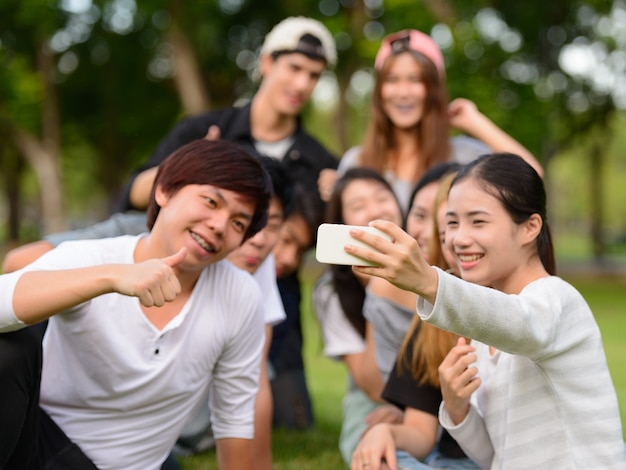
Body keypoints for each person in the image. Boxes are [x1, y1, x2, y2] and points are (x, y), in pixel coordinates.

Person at [0, 139, 273, 470]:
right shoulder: (95, 258)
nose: (219, 226)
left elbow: (234, 417)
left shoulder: (239, 295)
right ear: (165, 192)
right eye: (211, 201)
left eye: (238, 223)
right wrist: (112, 278)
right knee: (11, 344)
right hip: (35, 445)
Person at [345, 153, 626, 469]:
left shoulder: (556, 299)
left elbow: (521, 324)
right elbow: (497, 458)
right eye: (452, 223)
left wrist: (427, 280)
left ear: (530, 228)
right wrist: (458, 409)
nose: (458, 239)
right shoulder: (481, 339)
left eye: (478, 221)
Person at [318, 29, 542, 212]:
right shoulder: (357, 161)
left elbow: (531, 178)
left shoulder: (463, 155)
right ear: (379, 92)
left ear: (434, 89)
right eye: (392, 80)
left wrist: (476, 122)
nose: (403, 92)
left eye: (415, 79)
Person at [351, 166, 479, 470]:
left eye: (475, 223)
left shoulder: (528, 303)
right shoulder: (430, 322)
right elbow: (420, 433)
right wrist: (384, 432)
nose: (456, 241)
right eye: (447, 229)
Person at [173, 156, 294, 470]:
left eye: (273, 225)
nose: (260, 239)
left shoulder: (256, 262)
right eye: (249, 224)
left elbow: (256, 381)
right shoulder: (179, 244)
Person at [312, 167, 405, 465]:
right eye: (358, 206)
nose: (376, 211)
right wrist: (378, 289)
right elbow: (373, 386)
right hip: (374, 404)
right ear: (342, 223)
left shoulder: (432, 265)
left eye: (382, 198)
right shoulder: (331, 291)